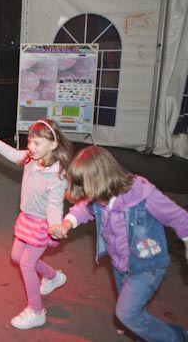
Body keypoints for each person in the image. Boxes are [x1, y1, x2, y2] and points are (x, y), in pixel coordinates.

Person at [49, 146, 188, 342]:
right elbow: (84, 208)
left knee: (127, 315)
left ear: (100, 177)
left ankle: (177, 338)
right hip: (120, 264)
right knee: (134, 314)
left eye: (86, 185)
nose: (86, 192)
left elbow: (178, 217)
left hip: (146, 265)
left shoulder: (142, 195)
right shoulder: (100, 194)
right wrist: (66, 224)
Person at [0, 119, 74, 330]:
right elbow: (13, 154)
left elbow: (55, 205)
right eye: (30, 141)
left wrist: (55, 226)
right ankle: (53, 277)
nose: (31, 147)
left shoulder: (57, 176)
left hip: (42, 225)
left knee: (27, 264)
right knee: (16, 257)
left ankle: (36, 311)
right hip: (25, 219)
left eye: (37, 143)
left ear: (53, 145)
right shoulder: (30, 158)